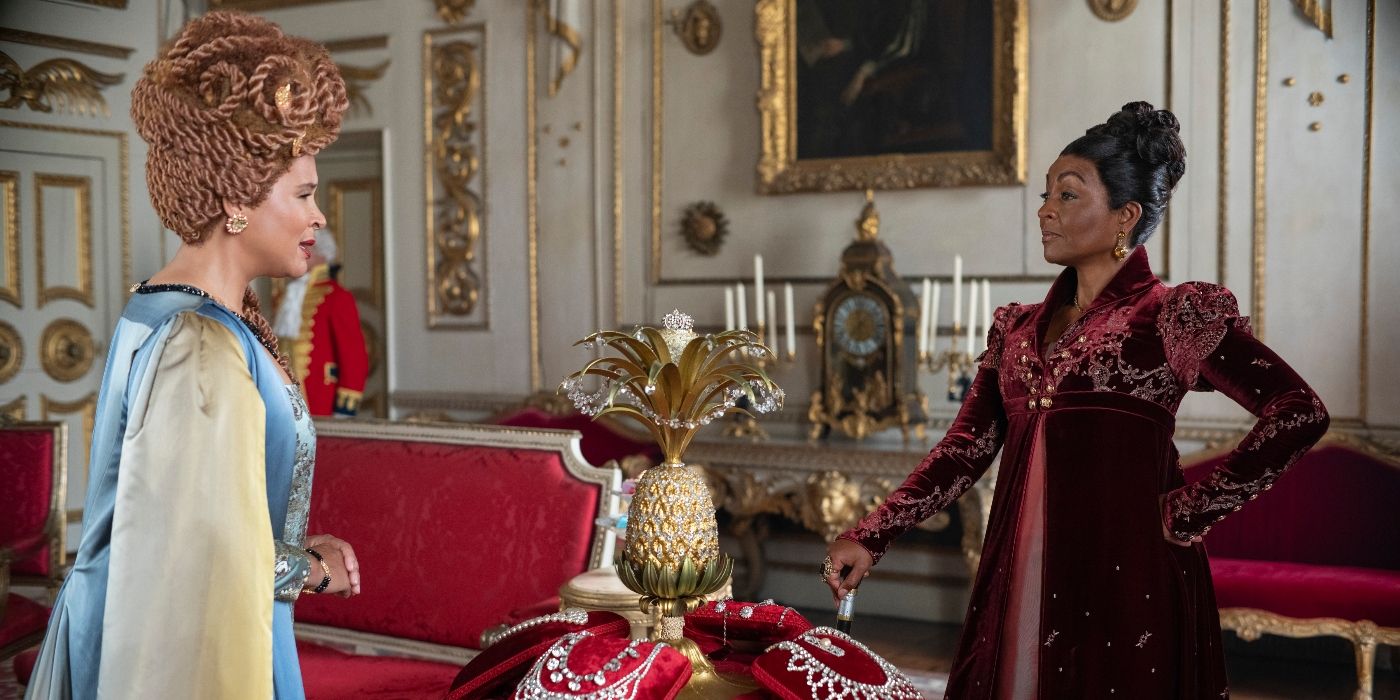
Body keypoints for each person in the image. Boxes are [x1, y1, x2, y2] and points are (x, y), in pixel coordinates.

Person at [823, 101, 1329, 698]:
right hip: (1017, 566)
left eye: (1067, 194)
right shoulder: (1016, 327)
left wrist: (1189, 511)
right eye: (1045, 195)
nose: (1045, 211)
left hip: (1125, 569)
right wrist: (873, 533)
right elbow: (966, 447)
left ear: (1126, 216)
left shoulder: (1173, 314)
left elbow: (1298, 412)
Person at [26, 12, 361, 699]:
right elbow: (197, 567)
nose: (319, 217)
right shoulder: (200, 347)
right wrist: (313, 570)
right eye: (303, 194)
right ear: (237, 197)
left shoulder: (181, 312)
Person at [272, 228, 369, 417]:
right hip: (283, 400)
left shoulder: (337, 297)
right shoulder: (287, 296)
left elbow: (354, 357)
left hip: (321, 399)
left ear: (322, 254)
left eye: (305, 248)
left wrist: (344, 408)